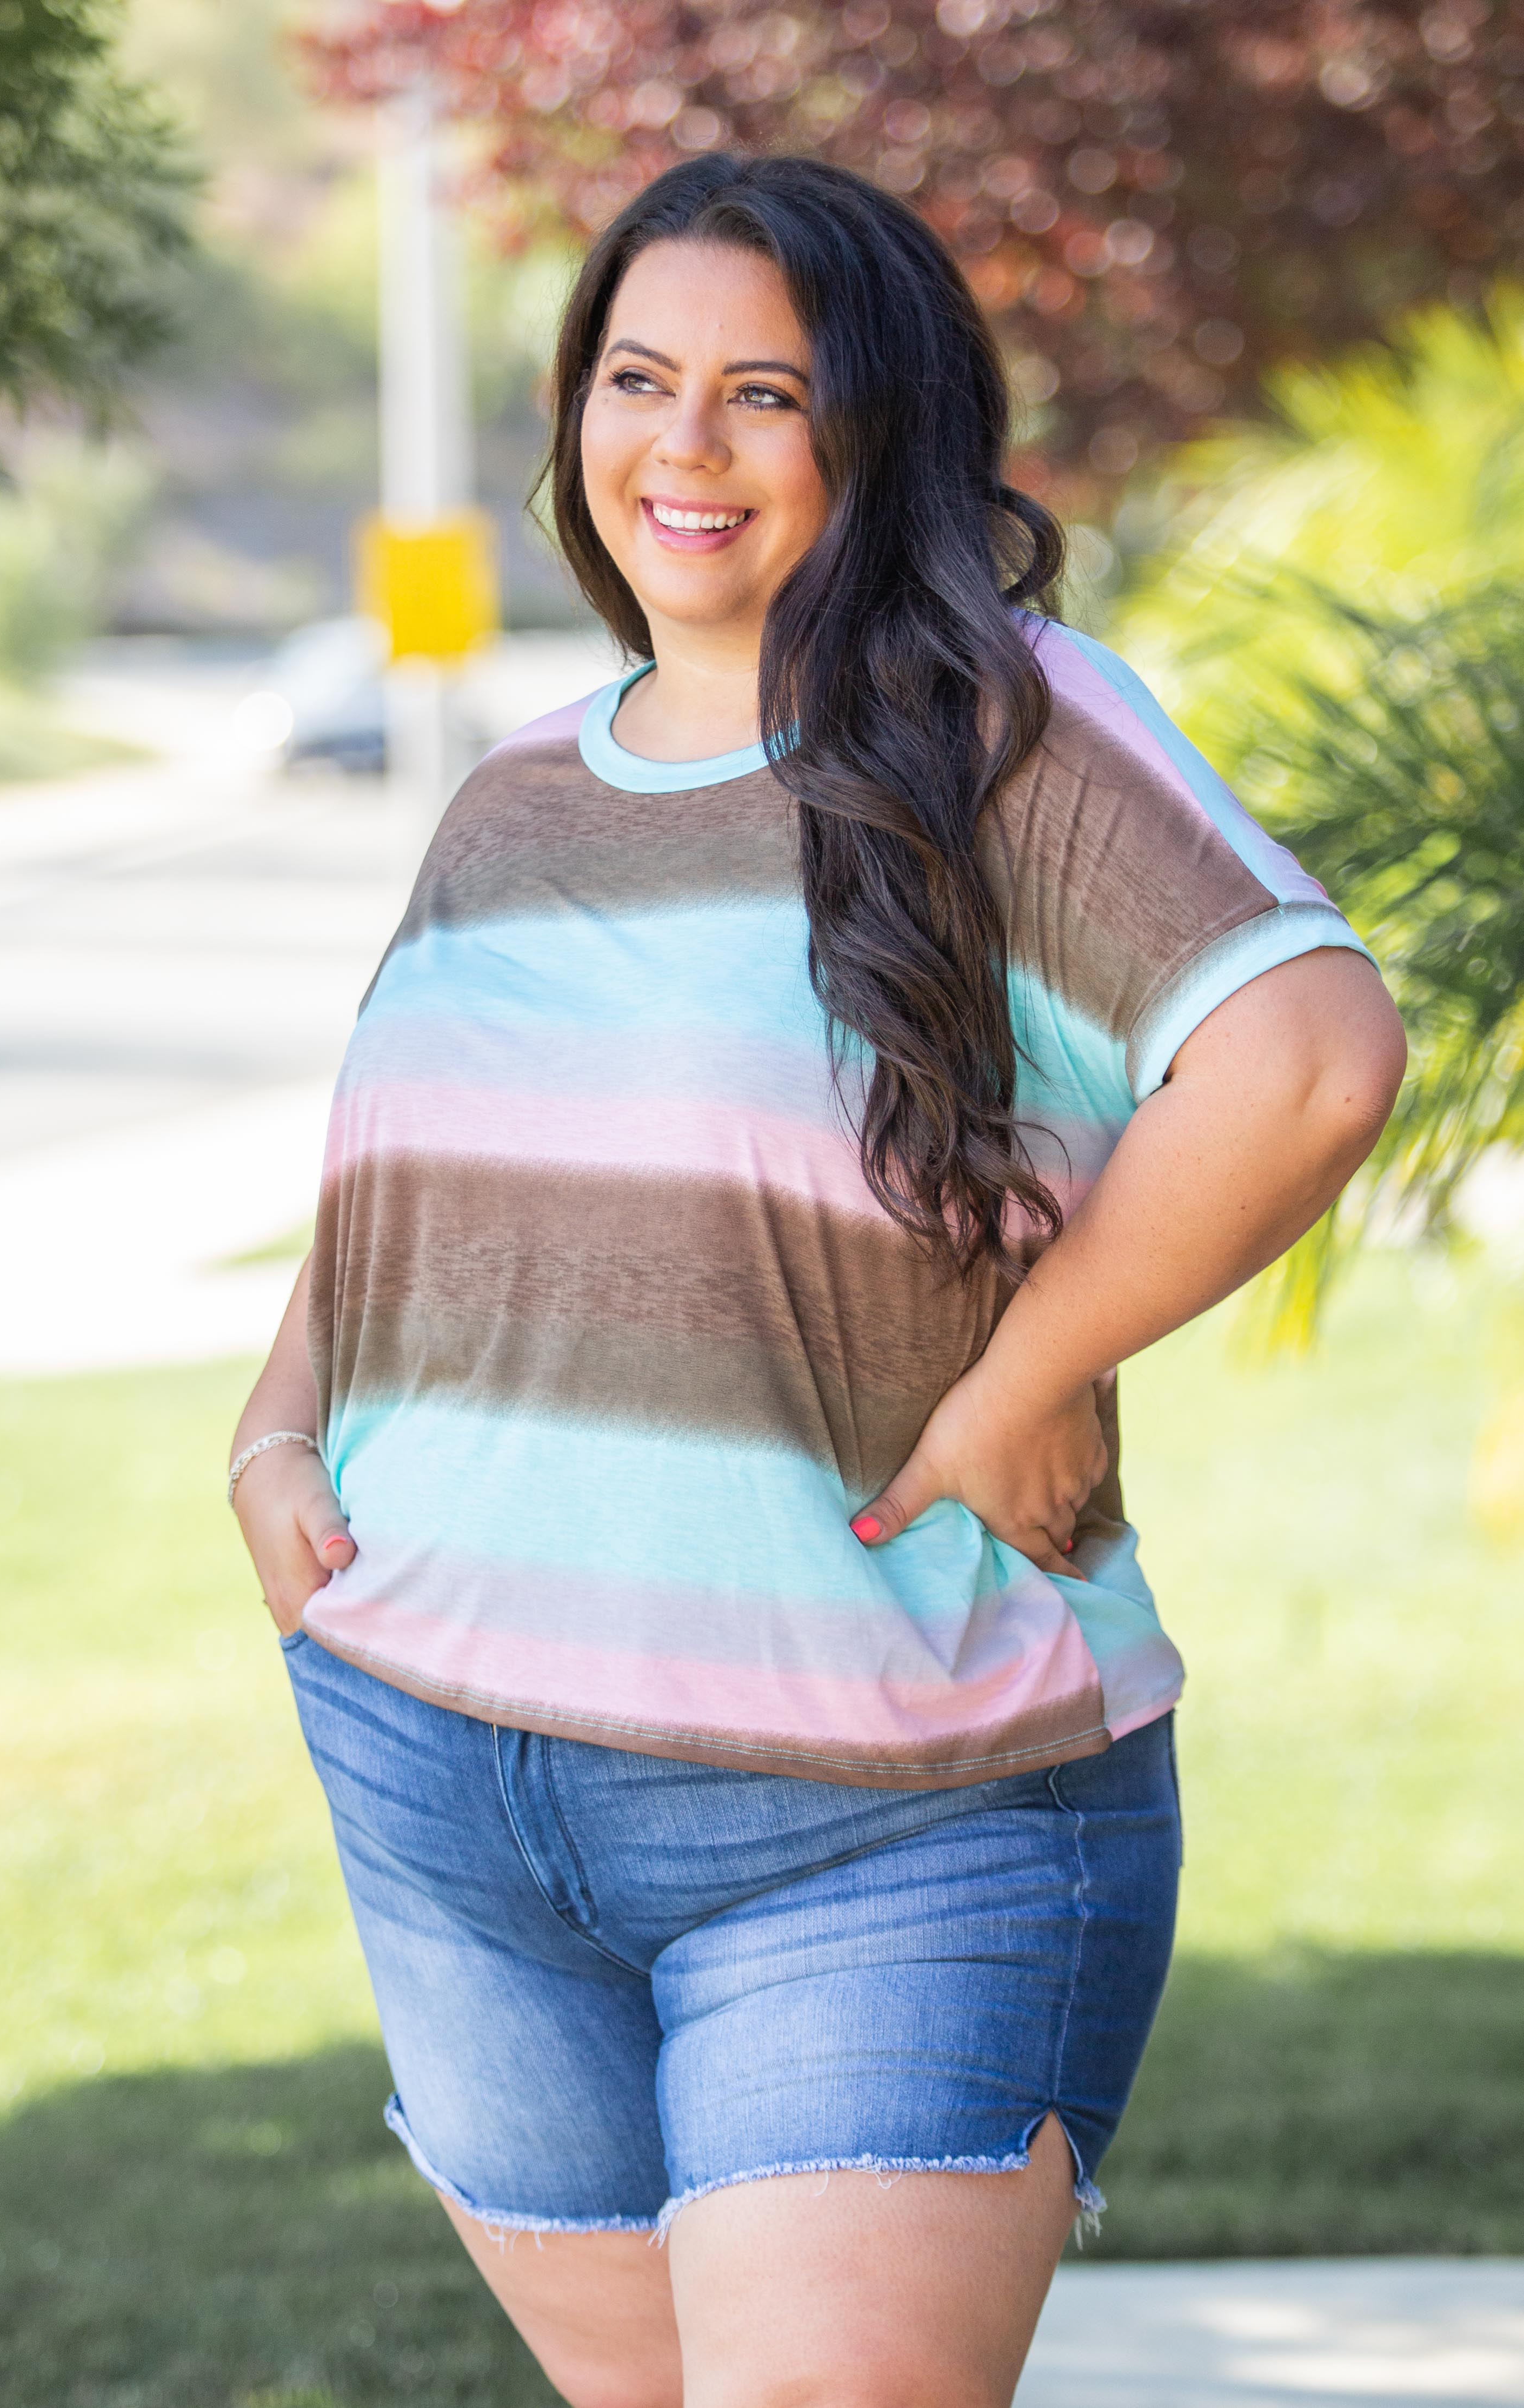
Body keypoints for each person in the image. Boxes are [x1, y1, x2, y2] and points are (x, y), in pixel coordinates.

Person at [229, 154, 1406, 2408]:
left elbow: (1303, 1059)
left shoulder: (997, 731)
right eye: (636, 378)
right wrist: (276, 1438)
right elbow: (412, 1176)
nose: (680, 446)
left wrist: (1029, 1365)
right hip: (443, 1794)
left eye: (761, 392)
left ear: (877, 433)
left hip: (885, 1814)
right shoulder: (503, 796)